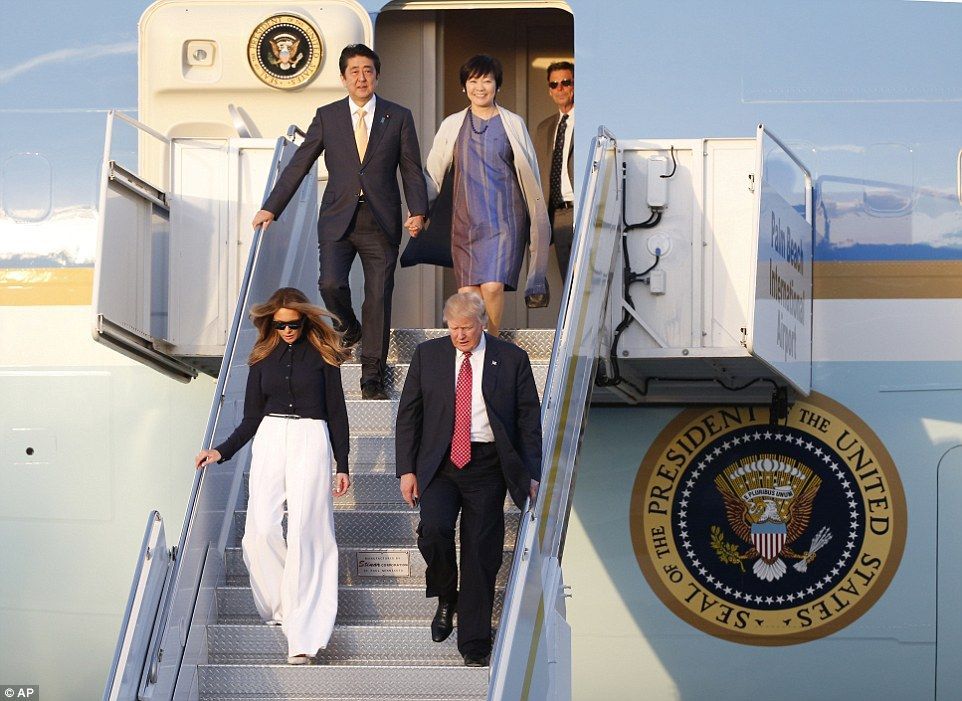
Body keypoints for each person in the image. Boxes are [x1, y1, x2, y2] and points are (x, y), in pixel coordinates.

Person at [252, 44, 429, 400]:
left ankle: (372, 376)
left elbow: (411, 169)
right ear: (343, 78)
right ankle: (349, 328)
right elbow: (300, 163)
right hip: (337, 218)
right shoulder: (328, 116)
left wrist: (418, 210)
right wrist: (271, 207)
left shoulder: (398, 116)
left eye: (368, 70)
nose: (361, 78)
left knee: (378, 297)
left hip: (380, 220)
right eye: (354, 71)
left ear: (377, 76)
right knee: (330, 284)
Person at [195, 287, 352, 665]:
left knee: (306, 533)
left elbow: (337, 412)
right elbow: (251, 418)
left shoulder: (324, 356)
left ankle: (305, 635)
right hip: (269, 437)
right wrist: (222, 450)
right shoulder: (261, 358)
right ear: (271, 324)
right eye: (280, 325)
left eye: (293, 324)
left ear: (305, 321)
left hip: (311, 437)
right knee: (259, 532)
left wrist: (342, 463)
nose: (287, 331)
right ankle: (284, 607)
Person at [395, 292, 542, 667]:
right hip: (440, 464)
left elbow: (528, 420)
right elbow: (409, 415)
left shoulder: (511, 359)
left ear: (483, 323)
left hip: (488, 466)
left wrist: (531, 472)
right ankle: (447, 594)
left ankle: (475, 643)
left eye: (466, 328)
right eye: (453, 328)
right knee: (434, 529)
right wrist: (407, 469)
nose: (459, 335)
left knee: (480, 552)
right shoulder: (428, 355)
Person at [423, 54, 550, 338]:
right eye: (473, 81)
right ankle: (477, 345)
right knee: (469, 295)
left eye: (487, 81)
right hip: (466, 221)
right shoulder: (452, 124)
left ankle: (492, 343)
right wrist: (420, 211)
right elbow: (434, 171)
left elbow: (531, 173)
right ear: (464, 86)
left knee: (492, 287)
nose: (480, 87)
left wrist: (538, 220)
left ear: (497, 85)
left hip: (505, 220)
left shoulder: (512, 123)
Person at [535, 61, 575, 280]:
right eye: (554, 84)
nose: (560, 89)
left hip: (583, 210)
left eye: (566, 82)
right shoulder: (544, 128)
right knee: (568, 281)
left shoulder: (589, 120)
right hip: (559, 215)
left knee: (591, 281)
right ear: (549, 90)